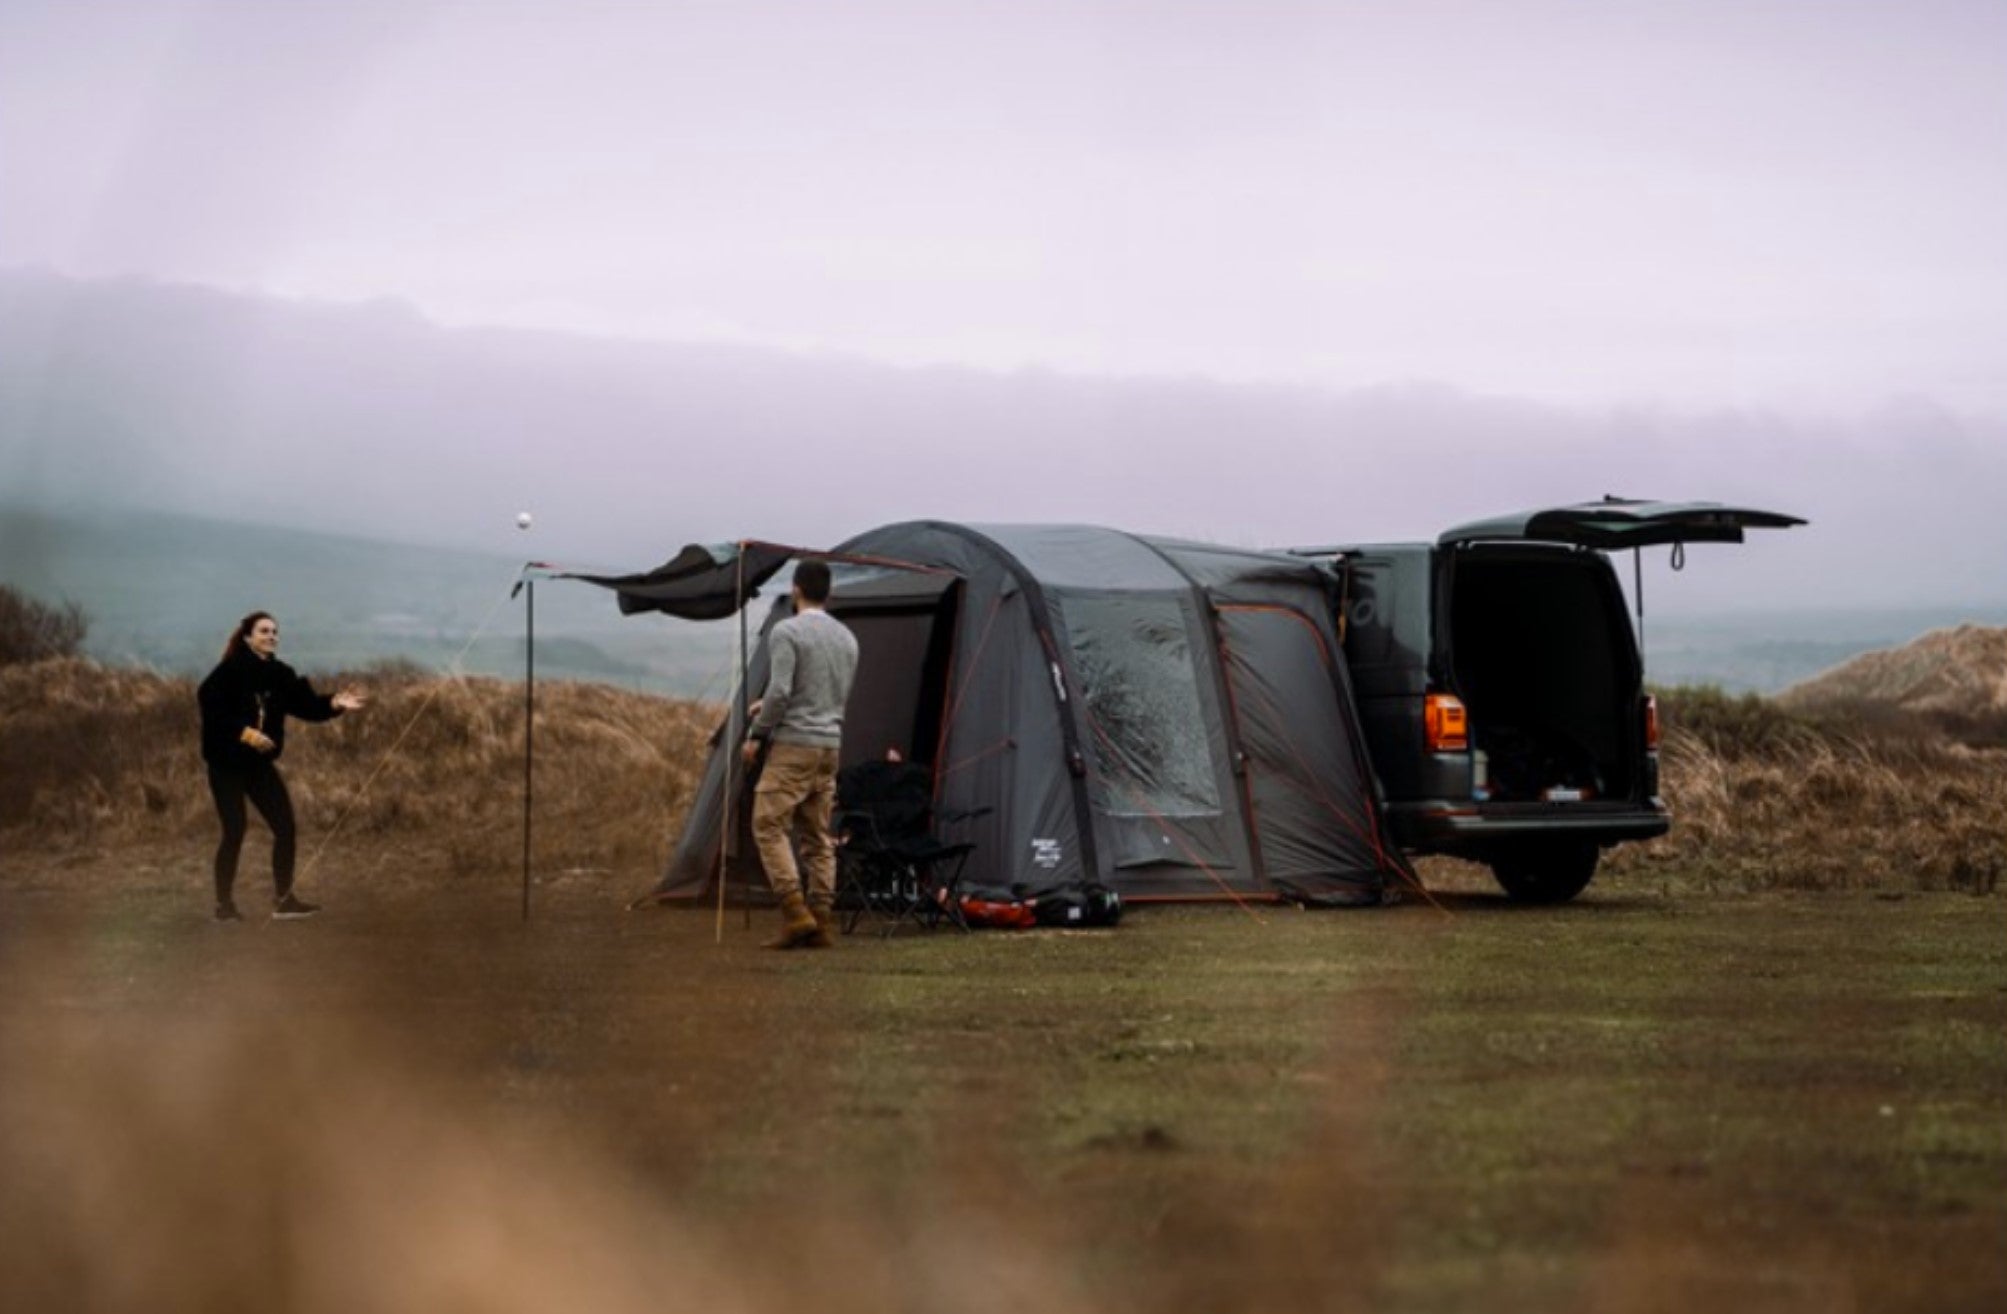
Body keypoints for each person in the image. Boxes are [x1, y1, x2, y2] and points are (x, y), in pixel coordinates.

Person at [197, 611, 366, 922]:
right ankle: (224, 906)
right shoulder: (229, 671)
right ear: (248, 637)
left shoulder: (281, 675)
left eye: (275, 631)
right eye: (264, 631)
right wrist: (246, 734)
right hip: (226, 765)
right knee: (234, 831)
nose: (272, 636)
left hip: (258, 767)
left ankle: (284, 901)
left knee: (285, 828)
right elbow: (209, 703)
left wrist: (334, 704)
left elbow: (307, 706)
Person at [742, 559, 859, 949]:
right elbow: (822, 694)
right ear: (830, 593)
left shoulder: (787, 631)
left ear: (795, 589)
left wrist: (758, 733)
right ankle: (821, 920)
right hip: (830, 745)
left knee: (768, 823)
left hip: (795, 745)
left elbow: (781, 692)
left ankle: (794, 913)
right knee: (817, 835)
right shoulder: (847, 639)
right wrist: (771, 706)